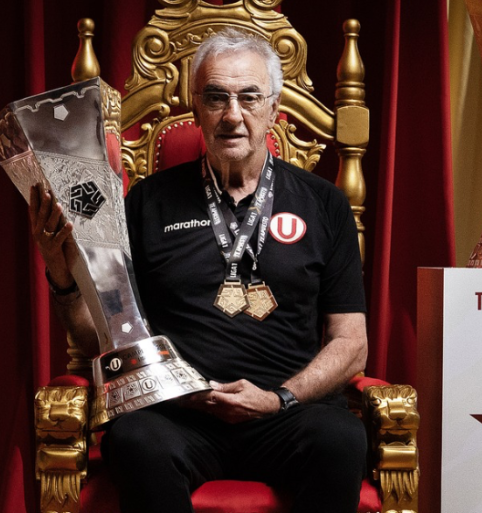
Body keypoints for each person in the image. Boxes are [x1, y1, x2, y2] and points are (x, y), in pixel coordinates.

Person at [29, 27, 368, 513]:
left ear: (274, 109)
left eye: (249, 97)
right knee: (135, 440)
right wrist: (61, 275)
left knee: (341, 438)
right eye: (216, 97)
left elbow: (351, 345)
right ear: (196, 108)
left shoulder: (324, 203)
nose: (233, 115)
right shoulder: (147, 202)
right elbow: (103, 340)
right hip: (179, 417)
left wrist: (279, 399)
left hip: (288, 414)